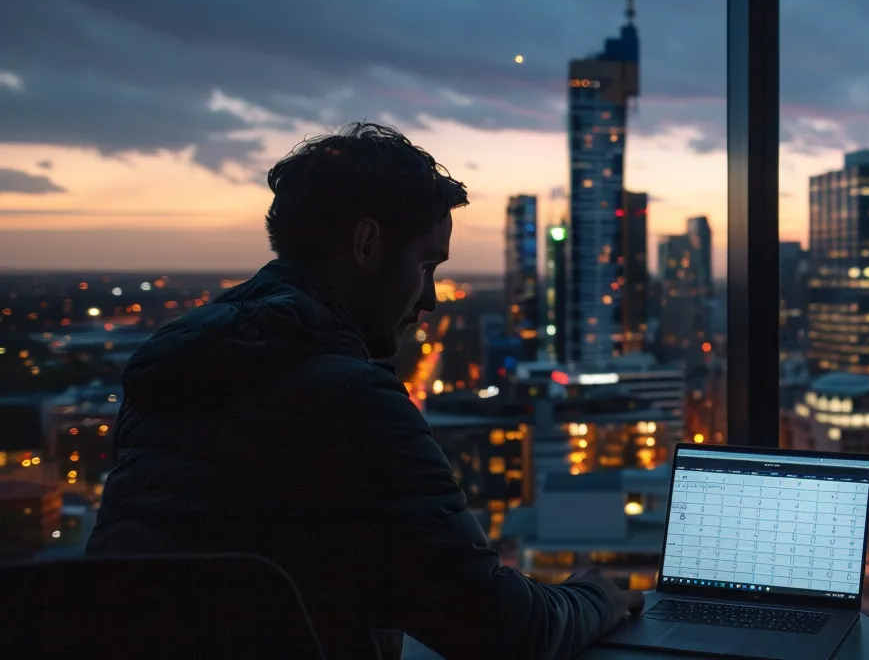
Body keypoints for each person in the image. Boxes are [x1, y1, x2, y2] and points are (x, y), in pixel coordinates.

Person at [87, 122, 642, 660]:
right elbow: (505, 629)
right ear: (368, 242)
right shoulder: (351, 400)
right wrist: (598, 594)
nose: (431, 300)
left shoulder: (170, 364)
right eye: (425, 266)